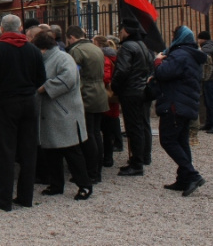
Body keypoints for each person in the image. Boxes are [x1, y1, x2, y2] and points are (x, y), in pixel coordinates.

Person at [0, 14, 45, 211]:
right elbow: (41, 78)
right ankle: (25, 196)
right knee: (28, 151)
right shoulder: (33, 50)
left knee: (5, 151)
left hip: (5, 104)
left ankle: (3, 199)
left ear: (2, 28)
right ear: (21, 27)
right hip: (28, 102)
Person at [34, 31, 93, 201]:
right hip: (51, 113)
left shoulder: (63, 58)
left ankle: (85, 185)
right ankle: (56, 184)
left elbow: (68, 79)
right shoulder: (46, 59)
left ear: (43, 48)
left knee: (71, 151)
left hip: (64, 112)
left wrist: (44, 88)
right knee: (51, 152)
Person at [152, 25, 206, 197]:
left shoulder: (180, 54)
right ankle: (183, 178)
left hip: (175, 103)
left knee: (168, 140)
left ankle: (193, 174)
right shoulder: (191, 54)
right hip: (185, 103)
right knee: (181, 141)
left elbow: (163, 73)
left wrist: (158, 61)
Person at [111, 18, 154, 177]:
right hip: (142, 90)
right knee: (142, 125)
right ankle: (143, 157)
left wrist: (115, 86)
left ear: (126, 31)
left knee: (133, 128)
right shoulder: (143, 45)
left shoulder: (127, 47)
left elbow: (122, 70)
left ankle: (136, 164)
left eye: (121, 30)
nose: (119, 33)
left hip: (131, 92)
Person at [65, 25, 108, 183]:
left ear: (71, 37)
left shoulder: (77, 50)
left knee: (88, 134)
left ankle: (91, 172)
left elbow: (73, 74)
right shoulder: (96, 48)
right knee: (96, 133)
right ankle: (97, 169)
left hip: (87, 94)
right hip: (99, 92)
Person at [93, 35, 122, 167]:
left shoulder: (104, 59)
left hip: (106, 97)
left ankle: (107, 157)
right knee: (107, 130)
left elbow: (105, 77)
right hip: (109, 98)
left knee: (105, 130)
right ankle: (107, 156)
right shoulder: (113, 56)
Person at [197, 31, 213, 134]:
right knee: (208, 102)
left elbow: (204, 56)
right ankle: (209, 123)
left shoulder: (207, 47)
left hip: (210, 77)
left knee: (212, 102)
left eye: (199, 39)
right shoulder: (211, 45)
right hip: (212, 77)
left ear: (202, 39)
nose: (198, 41)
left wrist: (199, 52)